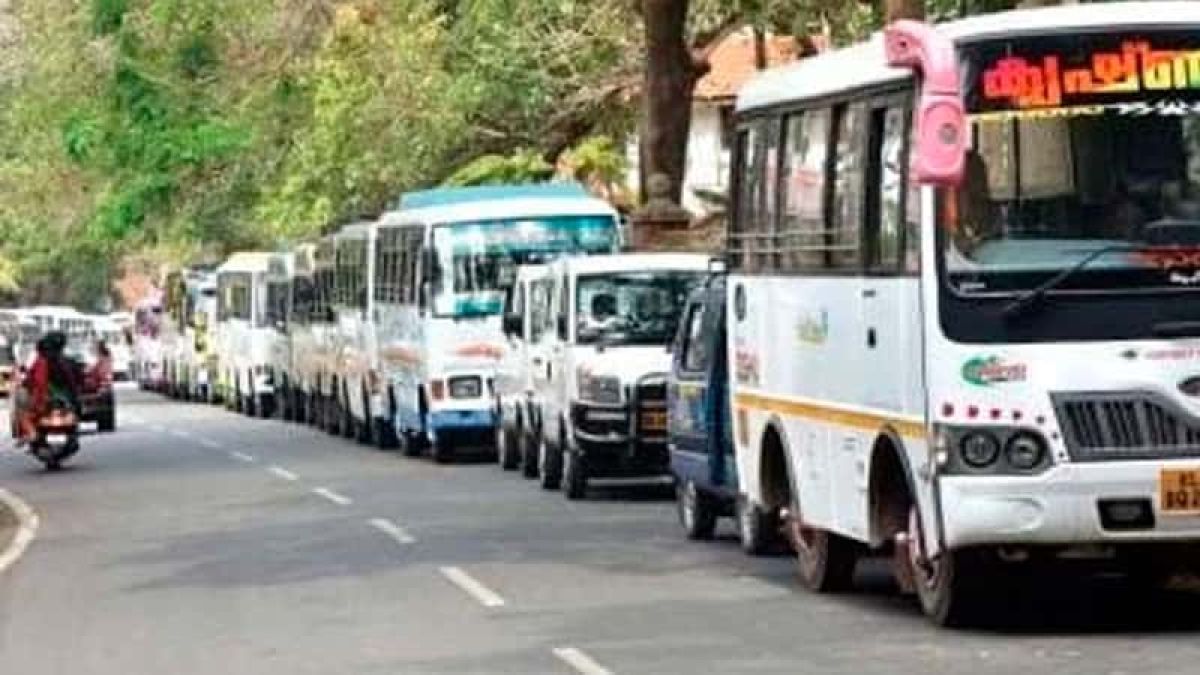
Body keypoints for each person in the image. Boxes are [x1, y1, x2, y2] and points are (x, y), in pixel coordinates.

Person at [14, 332, 79, 444]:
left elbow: (31, 381)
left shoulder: (41, 362)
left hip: (43, 401)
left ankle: (32, 433)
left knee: (24, 414)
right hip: (62, 401)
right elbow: (72, 382)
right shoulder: (64, 362)